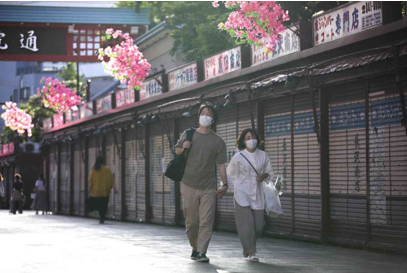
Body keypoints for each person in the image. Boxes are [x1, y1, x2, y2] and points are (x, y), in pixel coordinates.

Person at [175, 104, 228, 263]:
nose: (205, 116)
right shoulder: (189, 134)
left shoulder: (218, 141)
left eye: (208, 113)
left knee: (206, 220)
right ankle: (195, 246)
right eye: (202, 113)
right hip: (189, 183)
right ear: (198, 116)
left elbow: (221, 164)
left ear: (213, 119)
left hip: (209, 186)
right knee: (191, 222)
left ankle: (202, 252)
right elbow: (176, 150)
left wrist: (225, 184)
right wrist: (183, 147)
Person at [227, 129, 274, 262]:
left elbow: (270, 173)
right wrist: (229, 186)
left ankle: (248, 246)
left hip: (257, 193)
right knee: (246, 223)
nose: (251, 139)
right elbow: (229, 174)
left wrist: (263, 176)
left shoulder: (263, 155)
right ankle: (251, 252)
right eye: (247, 138)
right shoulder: (238, 157)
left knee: (259, 225)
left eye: (253, 137)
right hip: (241, 192)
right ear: (243, 141)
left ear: (257, 139)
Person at [87, 156, 117, 224]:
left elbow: (91, 181)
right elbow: (111, 180)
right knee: (103, 205)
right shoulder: (108, 169)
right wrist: (114, 188)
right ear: (103, 161)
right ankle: (102, 217)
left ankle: (100, 215)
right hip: (104, 191)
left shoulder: (94, 169)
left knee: (97, 204)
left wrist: (89, 190)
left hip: (96, 192)